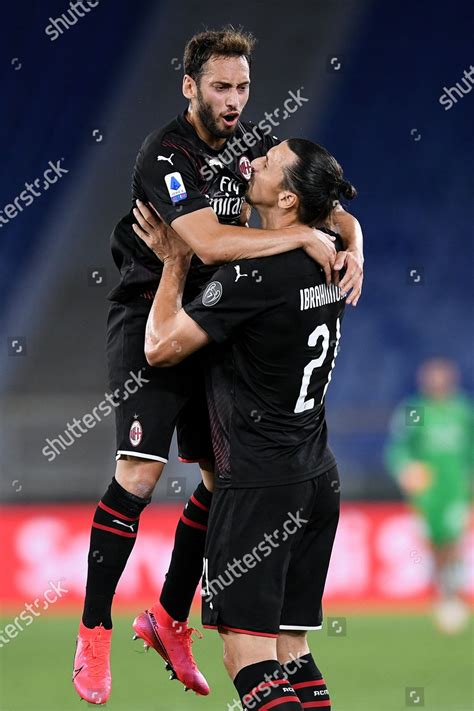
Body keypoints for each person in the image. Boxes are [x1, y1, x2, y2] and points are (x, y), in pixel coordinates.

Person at [73, 26, 364, 705]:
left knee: (219, 472)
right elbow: (199, 238)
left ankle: (172, 618)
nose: (235, 101)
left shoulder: (253, 144)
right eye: (221, 87)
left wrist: (354, 247)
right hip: (153, 308)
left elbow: (336, 213)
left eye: (242, 87)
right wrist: (299, 234)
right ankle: (92, 627)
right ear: (190, 87)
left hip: (213, 309)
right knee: (140, 473)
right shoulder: (164, 154)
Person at [133, 137, 354, 710]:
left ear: (285, 198)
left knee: (245, 656)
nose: (250, 161)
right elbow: (341, 222)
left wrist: (175, 260)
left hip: (259, 485)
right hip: (316, 479)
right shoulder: (329, 253)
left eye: (268, 162)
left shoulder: (257, 276)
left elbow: (159, 347)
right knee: (292, 649)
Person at [385, 358, 473, 633]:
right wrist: (405, 470)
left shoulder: (462, 411)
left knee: (453, 541)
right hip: (427, 493)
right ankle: (442, 595)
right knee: (434, 545)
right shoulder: (415, 411)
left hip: (456, 488)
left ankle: (453, 596)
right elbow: (398, 448)